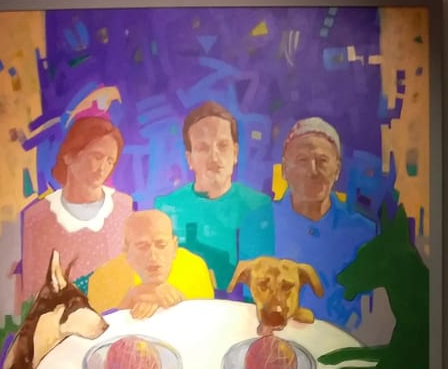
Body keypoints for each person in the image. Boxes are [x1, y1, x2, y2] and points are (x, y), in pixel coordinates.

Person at [238, 117, 377, 328]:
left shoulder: (362, 232)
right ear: (284, 169)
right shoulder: (258, 224)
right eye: (302, 160)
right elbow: (250, 305)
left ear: (337, 170)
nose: (313, 171)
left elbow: (372, 314)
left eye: (322, 161)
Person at [155, 101, 270, 290]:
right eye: (203, 148)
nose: (214, 157)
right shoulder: (166, 209)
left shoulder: (257, 206)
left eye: (223, 146)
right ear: (189, 159)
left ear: (235, 153)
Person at [20, 116, 133, 299]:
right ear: (69, 156)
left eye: (110, 161)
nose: (103, 168)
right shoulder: (38, 217)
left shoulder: (123, 207)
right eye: (97, 157)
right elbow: (33, 292)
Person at [87, 210, 214, 318]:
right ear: (126, 249)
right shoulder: (103, 277)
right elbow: (100, 332)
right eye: (142, 246)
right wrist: (131, 299)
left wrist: (178, 303)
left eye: (161, 245)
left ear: (174, 246)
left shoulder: (194, 266)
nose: (153, 257)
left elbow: (206, 322)